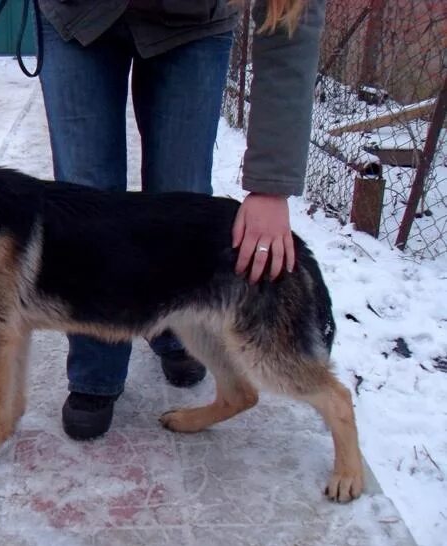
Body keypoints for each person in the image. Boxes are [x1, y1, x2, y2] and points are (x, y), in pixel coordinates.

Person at [37, 0, 324, 440]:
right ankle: (97, 368)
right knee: (86, 202)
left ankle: (178, 329)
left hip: (192, 21)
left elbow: (289, 21)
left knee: (182, 195)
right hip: (79, 14)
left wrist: (271, 186)